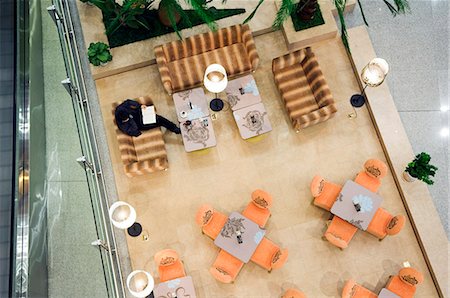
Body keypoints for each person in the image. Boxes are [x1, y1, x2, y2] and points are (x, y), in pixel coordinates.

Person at [115, 99, 181, 137]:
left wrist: (139, 105)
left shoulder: (120, 108)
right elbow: (136, 132)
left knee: (158, 118)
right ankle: (175, 129)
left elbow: (128, 102)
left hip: (139, 113)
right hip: (141, 124)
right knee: (159, 120)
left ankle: (174, 128)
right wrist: (130, 121)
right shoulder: (123, 126)